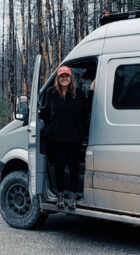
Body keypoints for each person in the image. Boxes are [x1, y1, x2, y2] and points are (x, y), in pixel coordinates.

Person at [38, 65, 94, 209]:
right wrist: (48, 126)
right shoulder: (51, 93)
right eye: (61, 76)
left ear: (71, 78)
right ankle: (60, 196)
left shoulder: (78, 93)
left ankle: (73, 197)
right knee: (59, 168)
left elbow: (86, 111)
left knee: (74, 169)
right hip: (57, 139)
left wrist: (92, 91)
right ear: (58, 78)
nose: (64, 79)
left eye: (66, 76)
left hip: (74, 139)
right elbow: (45, 111)